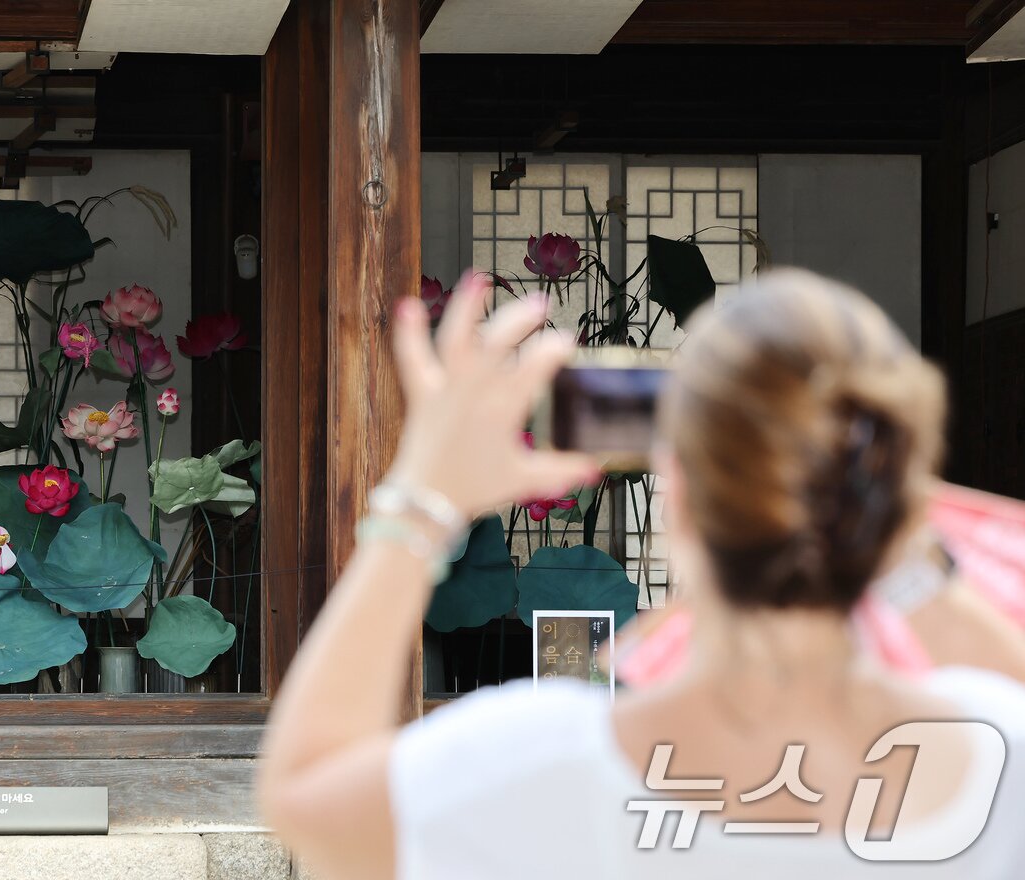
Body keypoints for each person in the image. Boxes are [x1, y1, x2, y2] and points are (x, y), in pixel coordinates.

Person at [257, 269, 1025, 879]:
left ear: (677, 499)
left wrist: (425, 495)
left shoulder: (537, 765)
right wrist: (896, 535)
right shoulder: (999, 760)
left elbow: (304, 793)